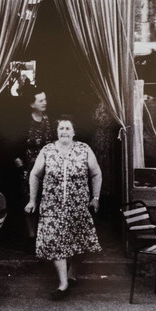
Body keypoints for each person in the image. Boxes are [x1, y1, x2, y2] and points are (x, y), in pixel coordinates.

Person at [25, 115, 102, 300]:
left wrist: (96, 197)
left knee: (82, 242)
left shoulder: (84, 149)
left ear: (74, 132)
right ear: (56, 132)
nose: (64, 132)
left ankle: (72, 273)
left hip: (78, 205)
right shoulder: (47, 150)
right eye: (61, 129)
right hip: (52, 206)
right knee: (56, 242)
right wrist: (32, 200)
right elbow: (35, 175)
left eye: (68, 128)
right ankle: (63, 284)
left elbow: (96, 173)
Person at [15, 87, 54, 246]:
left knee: (45, 199)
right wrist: (19, 163)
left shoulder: (47, 119)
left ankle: (43, 236)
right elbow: (13, 143)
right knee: (29, 200)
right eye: (41, 100)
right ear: (32, 104)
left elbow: (51, 142)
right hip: (28, 167)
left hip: (45, 166)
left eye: (45, 99)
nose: (45, 103)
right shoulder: (23, 120)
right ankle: (31, 237)